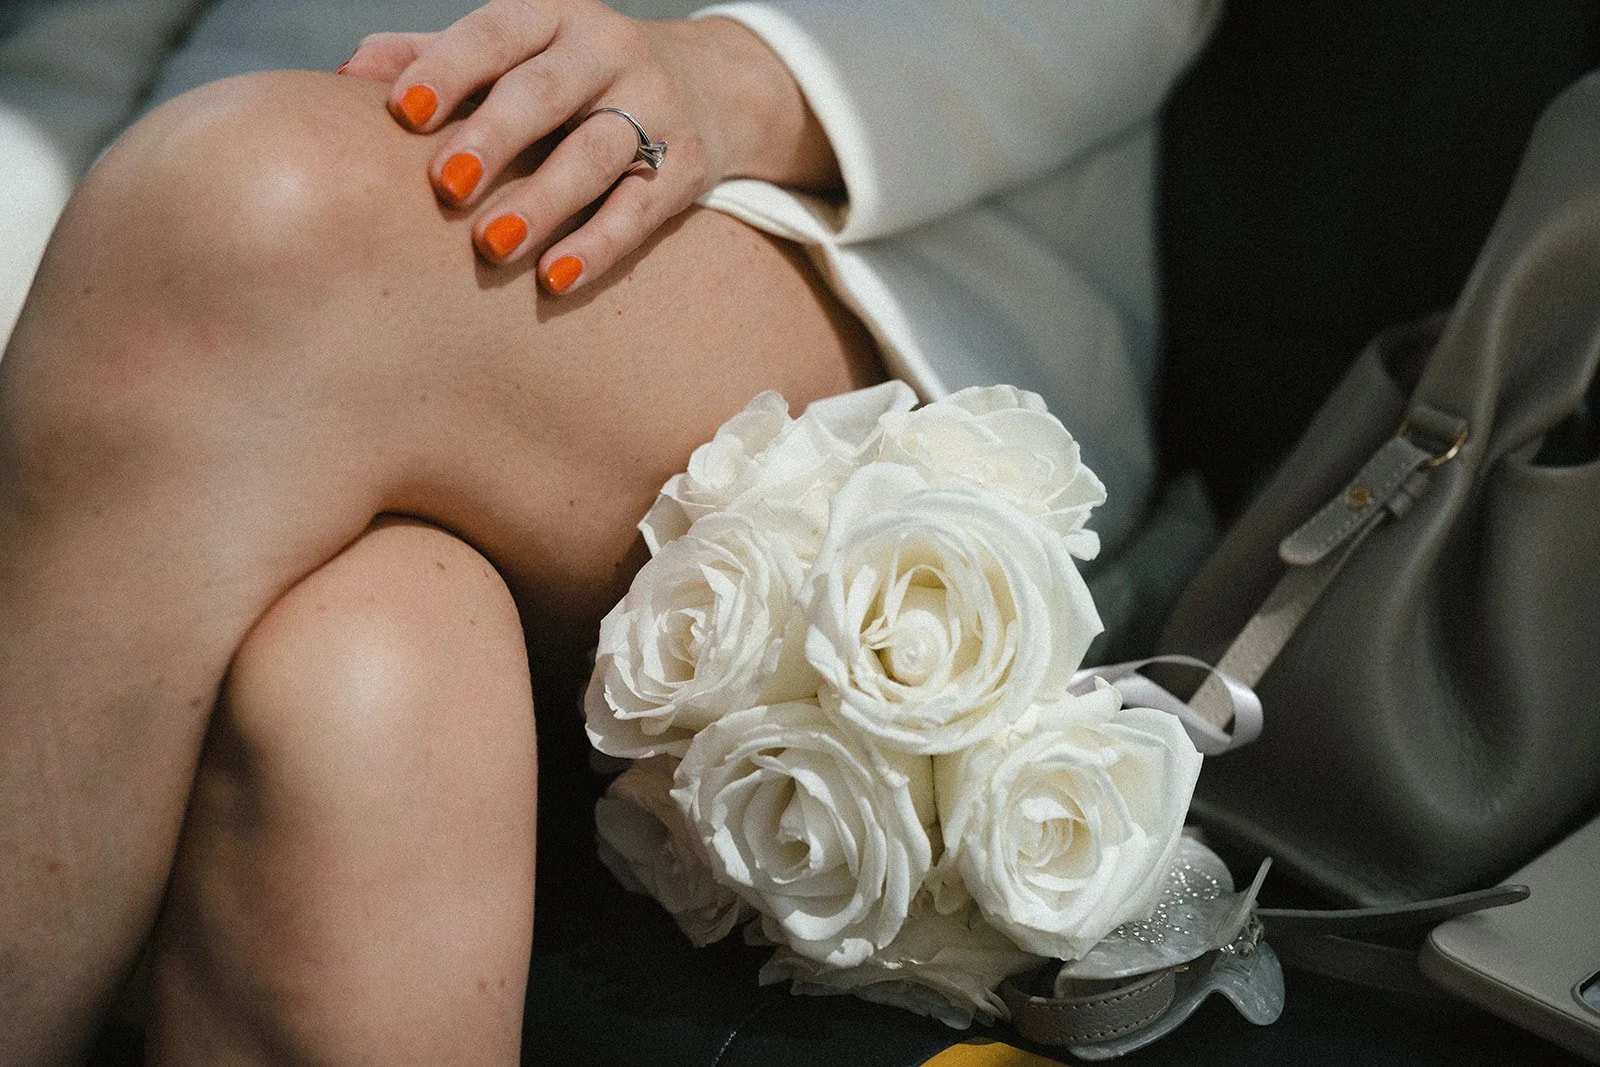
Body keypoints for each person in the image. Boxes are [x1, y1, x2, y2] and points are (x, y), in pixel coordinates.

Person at [0, 0, 1218, 1061]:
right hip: (181, 227)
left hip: (855, 215)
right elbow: (73, 61)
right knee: (363, 676)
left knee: (251, 217)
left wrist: (742, 74)